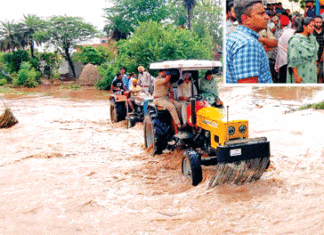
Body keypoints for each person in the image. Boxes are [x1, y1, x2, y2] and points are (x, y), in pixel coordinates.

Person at [226, 0, 273, 83]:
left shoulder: (236, 36)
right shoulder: (248, 43)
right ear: (246, 19)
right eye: (261, 14)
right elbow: (248, 90)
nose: (267, 17)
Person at [287, 17, 318, 84]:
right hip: (300, 70)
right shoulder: (295, 40)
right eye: (311, 26)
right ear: (304, 26)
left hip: (312, 70)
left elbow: (314, 54)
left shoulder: (312, 38)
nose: (313, 28)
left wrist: (316, 66)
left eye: (314, 26)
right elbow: (292, 59)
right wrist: (296, 75)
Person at [275, 15, 296, 83]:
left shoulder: (280, 32)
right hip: (292, 59)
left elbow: (276, 43)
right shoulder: (292, 32)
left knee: (283, 79)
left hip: (283, 60)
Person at [313, 15, 324, 83]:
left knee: (321, 75)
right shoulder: (311, 32)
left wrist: (323, 54)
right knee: (314, 75)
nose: (318, 24)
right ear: (313, 22)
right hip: (313, 57)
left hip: (321, 57)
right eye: (316, 22)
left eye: (320, 22)